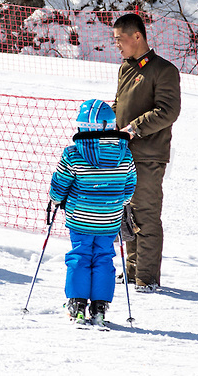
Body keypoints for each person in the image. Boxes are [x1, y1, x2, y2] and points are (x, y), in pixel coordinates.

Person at [49, 99, 136, 328]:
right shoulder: (124, 154)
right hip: (110, 219)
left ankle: (77, 303)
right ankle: (99, 306)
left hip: (80, 217)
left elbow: (59, 185)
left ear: (83, 127)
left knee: (80, 256)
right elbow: (129, 186)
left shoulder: (73, 154)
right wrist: (119, 202)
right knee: (104, 258)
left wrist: (56, 199)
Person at [112, 13, 181, 293]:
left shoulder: (163, 70)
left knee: (147, 215)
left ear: (137, 36)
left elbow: (168, 111)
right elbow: (119, 107)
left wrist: (134, 128)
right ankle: (131, 271)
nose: (116, 45)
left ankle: (147, 278)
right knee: (127, 213)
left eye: (119, 39)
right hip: (123, 153)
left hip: (149, 155)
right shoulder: (125, 68)